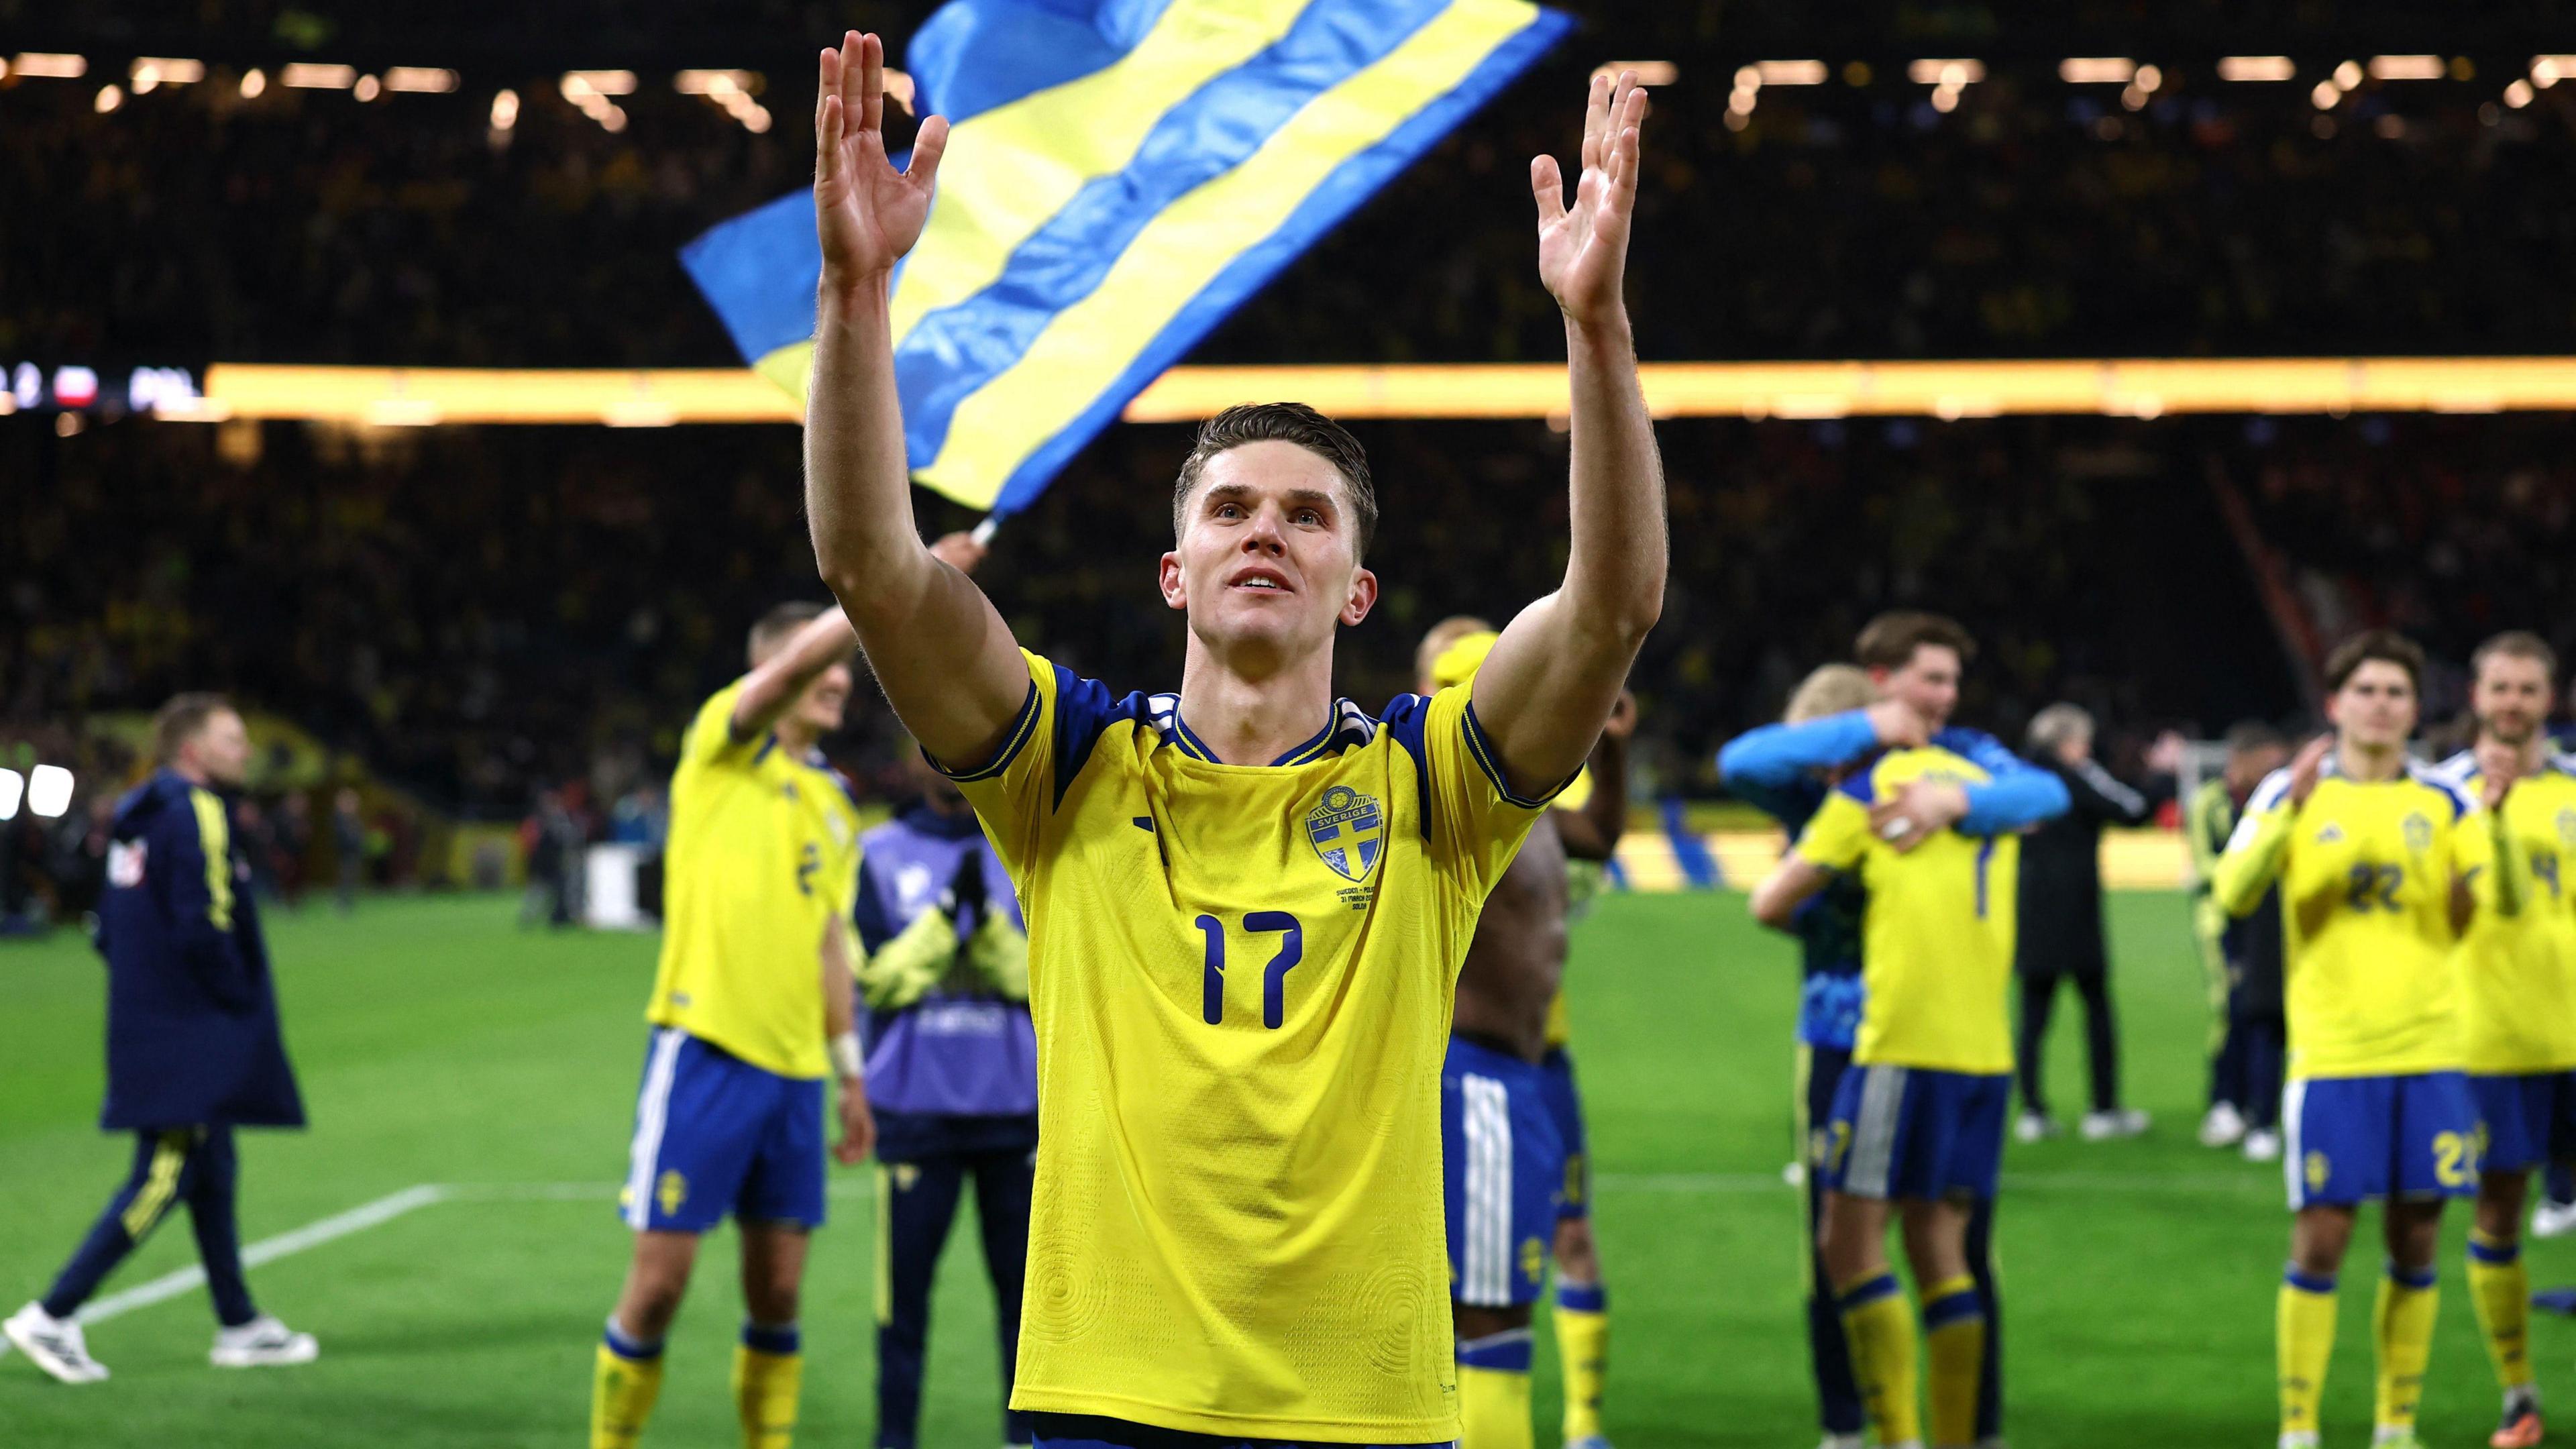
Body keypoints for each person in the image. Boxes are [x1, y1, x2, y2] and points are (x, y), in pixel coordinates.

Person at [802, 34, 1664, 1448]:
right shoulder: (1065, 766)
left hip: (1364, 1408)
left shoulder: (1431, 786)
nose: (1267, 528)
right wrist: (853, 294)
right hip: (1106, 1396)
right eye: (1231, 510)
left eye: (1308, 515)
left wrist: (1597, 327)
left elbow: (1612, 607)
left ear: (1356, 590)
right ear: (1177, 573)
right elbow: (873, 572)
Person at [1719, 621, 2069, 1449]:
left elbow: (2045, 795)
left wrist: (1956, 804)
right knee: (1873, 1243)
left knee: (1902, 1241)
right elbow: (1743, 763)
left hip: (1893, 1033)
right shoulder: (1831, 783)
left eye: (1950, 682)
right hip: (1865, 1035)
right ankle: (1853, 1420)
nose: (1945, 698)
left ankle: (1943, 1426)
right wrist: (1865, 732)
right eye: (1930, 682)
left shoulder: (1944, 768)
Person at [2212, 630, 2518, 1449]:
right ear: (2335, 703)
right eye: (2366, 691)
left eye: (2396, 693)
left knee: (2417, 1235)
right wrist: (2289, 812)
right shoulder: (2290, 789)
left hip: (2431, 1050)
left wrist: (2485, 836)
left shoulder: (2445, 801)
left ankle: (2395, 1425)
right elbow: (2232, 892)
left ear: (2415, 710)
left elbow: (2483, 908)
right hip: (2334, 1053)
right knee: (2323, 1236)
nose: (2381, 706)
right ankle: (2300, 1427)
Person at [588, 602, 877, 1449]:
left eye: (844, 669)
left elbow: (830, 944)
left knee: (780, 1294)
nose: (839, 680)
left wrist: (850, 1072)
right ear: (778, 670)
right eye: (823, 665)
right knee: (658, 1289)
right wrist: (868, 595)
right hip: (707, 1054)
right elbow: (785, 675)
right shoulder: (723, 745)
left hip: (797, 1077)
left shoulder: (836, 801)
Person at [5, 694, 317, 1384]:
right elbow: (206, 921)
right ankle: (53, 1314)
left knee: (215, 1165)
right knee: (167, 1172)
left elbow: (107, 926)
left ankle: (239, 1322)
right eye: (232, 739)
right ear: (193, 750)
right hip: (191, 1027)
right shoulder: (198, 812)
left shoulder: (136, 812)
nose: (245, 751)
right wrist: (236, 1004)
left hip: (147, 1017)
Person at [1413, 619, 1633, 1449]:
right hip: (1476, 1080)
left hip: (1512, 1079)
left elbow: (1600, 837)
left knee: (1488, 1316)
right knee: (1487, 1318)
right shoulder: (1465, 795)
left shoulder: (1525, 800)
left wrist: (1613, 747)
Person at [855, 752, 1039, 1449]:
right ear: (909, 754)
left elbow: (1046, 976)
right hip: (914, 1111)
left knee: (1028, 1309)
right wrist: (942, 919)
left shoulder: (1028, 842)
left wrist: (984, 925)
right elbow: (877, 981)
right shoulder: (877, 854)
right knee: (900, 1307)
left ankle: (1024, 1439)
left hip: (1015, 1110)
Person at [2433, 632, 2576, 1449]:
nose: (2514, 702)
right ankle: (2518, 1394)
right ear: (2477, 696)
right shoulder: (2440, 797)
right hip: (2490, 1040)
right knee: (2499, 1212)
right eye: (2501, 688)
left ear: (2549, 699)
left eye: (2528, 689)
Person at [2010, 704, 2172, 1144]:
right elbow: (2132, 810)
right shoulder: (2078, 776)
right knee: (2097, 1011)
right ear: (2068, 743)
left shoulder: (2018, 779)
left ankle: (2033, 1111)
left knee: (2033, 1016)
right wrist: (2162, 775)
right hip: (2078, 913)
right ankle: (2103, 1109)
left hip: (2032, 909)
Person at [2186, 722, 2292, 1161]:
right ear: (2242, 759)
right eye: (2267, 762)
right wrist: (2248, 869)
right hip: (2222, 922)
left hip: (2269, 921)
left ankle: (2257, 1105)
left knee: (2264, 1013)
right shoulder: (2210, 802)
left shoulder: (2275, 800)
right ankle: (2224, 1102)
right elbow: (2206, 864)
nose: (2274, 770)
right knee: (2231, 1008)